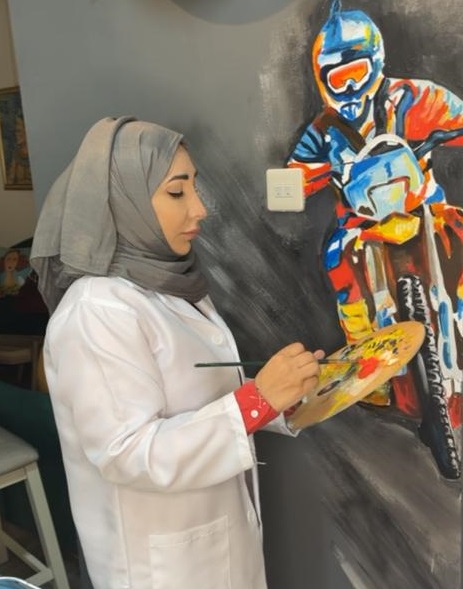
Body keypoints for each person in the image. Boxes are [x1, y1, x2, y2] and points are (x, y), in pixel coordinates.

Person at [30, 116, 324, 589]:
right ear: (122, 199)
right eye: (176, 192)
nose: (200, 208)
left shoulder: (167, 286)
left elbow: (196, 394)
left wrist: (286, 396)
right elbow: (127, 452)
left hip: (211, 541)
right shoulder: (97, 310)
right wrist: (257, 401)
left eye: (193, 188)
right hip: (158, 566)